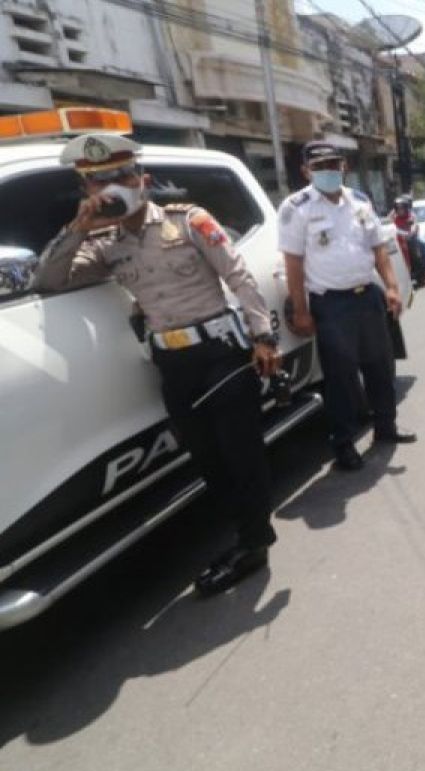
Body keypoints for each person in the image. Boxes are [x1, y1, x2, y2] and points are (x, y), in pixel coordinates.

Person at [35, 133, 282, 595]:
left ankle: (254, 542)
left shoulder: (188, 220)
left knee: (240, 452)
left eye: (123, 175)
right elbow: (49, 281)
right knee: (207, 456)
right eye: (98, 181)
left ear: (143, 179)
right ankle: (245, 529)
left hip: (221, 354)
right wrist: (77, 228)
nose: (114, 186)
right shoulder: (103, 244)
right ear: (87, 190)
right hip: (172, 363)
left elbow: (239, 276)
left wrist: (264, 336)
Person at [278, 141, 415, 472]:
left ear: (344, 166)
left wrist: (392, 288)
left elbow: (378, 248)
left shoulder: (360, 202)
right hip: (331, 303)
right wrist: (301, 310)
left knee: (381, 366)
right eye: (320, 165)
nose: (329, 170)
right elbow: (293, 262)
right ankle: (343, 445)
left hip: (367, 295)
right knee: (341, 380)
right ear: (306, 171)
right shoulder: (296, 208)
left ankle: (386, 427)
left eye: (334, 163)